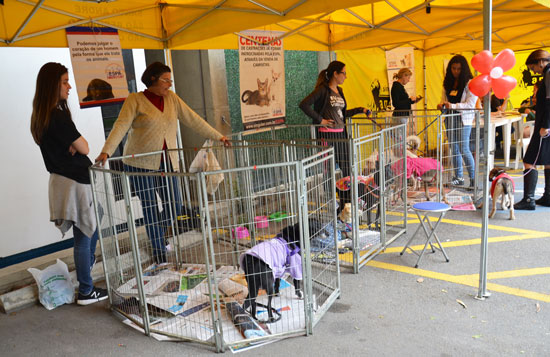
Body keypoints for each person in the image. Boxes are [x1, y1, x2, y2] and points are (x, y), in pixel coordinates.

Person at [95, 62, 230, 263]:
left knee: (175, 204)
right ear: (152, 79)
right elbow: (120, 126)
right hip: (139, 163)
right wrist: (106, 151)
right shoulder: (135, 100)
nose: (169, 84)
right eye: (166, 80)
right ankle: (159, 250)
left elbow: (193, 119)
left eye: (170, 80)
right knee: (149, 206)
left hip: (167, 162)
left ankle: (156, 233)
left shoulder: (172, 99)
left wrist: (219, 136)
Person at [30, 63, 108, 305]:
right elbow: (84, 147)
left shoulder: (42, 116)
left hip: (62, 183)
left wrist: (75, 145)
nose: (70, 86)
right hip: (75, 182)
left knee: (94, 220)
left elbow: (77, 147)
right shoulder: (58, 116)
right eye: (65, 81)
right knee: (84, 233)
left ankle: (87, 265)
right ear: (53, 84)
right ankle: (86, 290)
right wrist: (77, 145)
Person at [299, 60, 370, 211]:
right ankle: (331, 198)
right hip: (327, 136)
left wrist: (361, 110)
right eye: (343, 73)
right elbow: (304, 104)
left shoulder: (340, 91)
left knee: (347, 167)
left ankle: (347, 201)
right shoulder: (323, 90)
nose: (346, 76)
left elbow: (342, 114)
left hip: (341, 135)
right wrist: (321, 120)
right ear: (335, 74)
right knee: (329, 169)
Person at [514, 50, 550, 210]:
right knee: (548, 160)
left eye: (533, 67)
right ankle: (548, 196)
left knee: (529, 160)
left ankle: (528, 200)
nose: (533, 71)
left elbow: (549, 102)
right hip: (546, 124)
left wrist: (546, 125)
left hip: (545, 125)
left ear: (540, 61)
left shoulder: (548, 74)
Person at [437, 54, 478, 187]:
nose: (456, 71)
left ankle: (473, 179)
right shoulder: (447, 83)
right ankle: (458, 177)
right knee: (453, 149)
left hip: (463, 120)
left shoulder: (470, 83)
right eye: (453, 68)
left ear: (463, 69)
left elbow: (470, 105)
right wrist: (442, 106)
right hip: (449, 119)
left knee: (464, 149)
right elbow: (445, 100)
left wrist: (452, 106)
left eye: (459, 69)